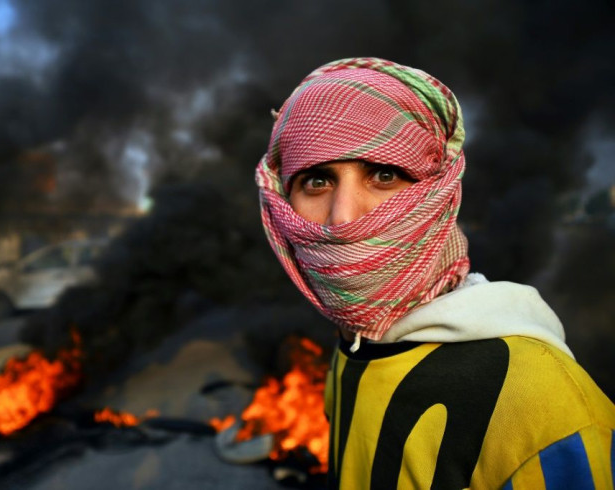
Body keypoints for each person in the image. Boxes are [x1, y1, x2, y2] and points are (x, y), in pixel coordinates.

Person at [255, 58, 615, 489]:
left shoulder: (543, 404)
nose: (343, 217)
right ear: (282, 202)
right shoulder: (353, 346)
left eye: (384, 175)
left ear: (439, 191)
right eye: (316, 181)